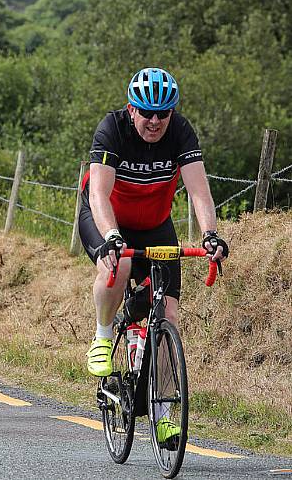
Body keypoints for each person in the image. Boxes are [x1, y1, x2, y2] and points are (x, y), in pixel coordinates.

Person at [79, 67, 228, 443]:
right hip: (107, 218)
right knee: (121, 262)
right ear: (132, 110)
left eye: (164, 113)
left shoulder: (180, 131)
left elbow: (198, 191)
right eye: (147, 113)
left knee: (168, 318)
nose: (156, 121)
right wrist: (111, 236)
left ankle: (162, 413)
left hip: (156, 226)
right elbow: (98, 193)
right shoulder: (112, 129)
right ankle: (102, 333)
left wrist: (210, 234)